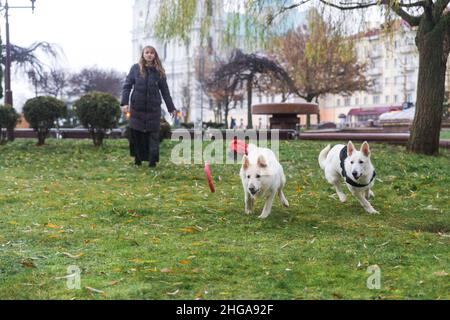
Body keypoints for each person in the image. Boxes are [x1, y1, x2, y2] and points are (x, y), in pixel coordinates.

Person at [121, 45, 177, 167]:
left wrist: (171, 108)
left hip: (153, 109)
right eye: (147, 52)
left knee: (153, 135)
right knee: (137, 135)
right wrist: (124, 103)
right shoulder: (135, 69)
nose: (149, 55)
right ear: (143, 54)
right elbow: (127, 86)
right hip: (137, 108)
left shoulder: (159, 71)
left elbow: (165, 91)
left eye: (152, 53)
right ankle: (137, 160)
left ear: (155, 55)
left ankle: (152, 161)